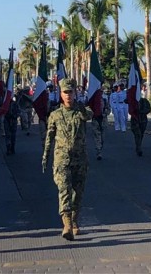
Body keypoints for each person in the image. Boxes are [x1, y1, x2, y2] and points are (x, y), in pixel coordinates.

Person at [41, 78, 93, 241]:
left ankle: (75, 219)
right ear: (61, 94)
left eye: (71, 92)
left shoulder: (81, 111)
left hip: (80, 159)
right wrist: (45, 157)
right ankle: (67, 224)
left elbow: (90, 115)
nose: (68, 95)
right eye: (65, 92)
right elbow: (49, 137)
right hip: (61, 160)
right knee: (64, 190)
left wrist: (80, 106)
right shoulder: (55, 115)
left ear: (75, 93)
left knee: (77, 193)